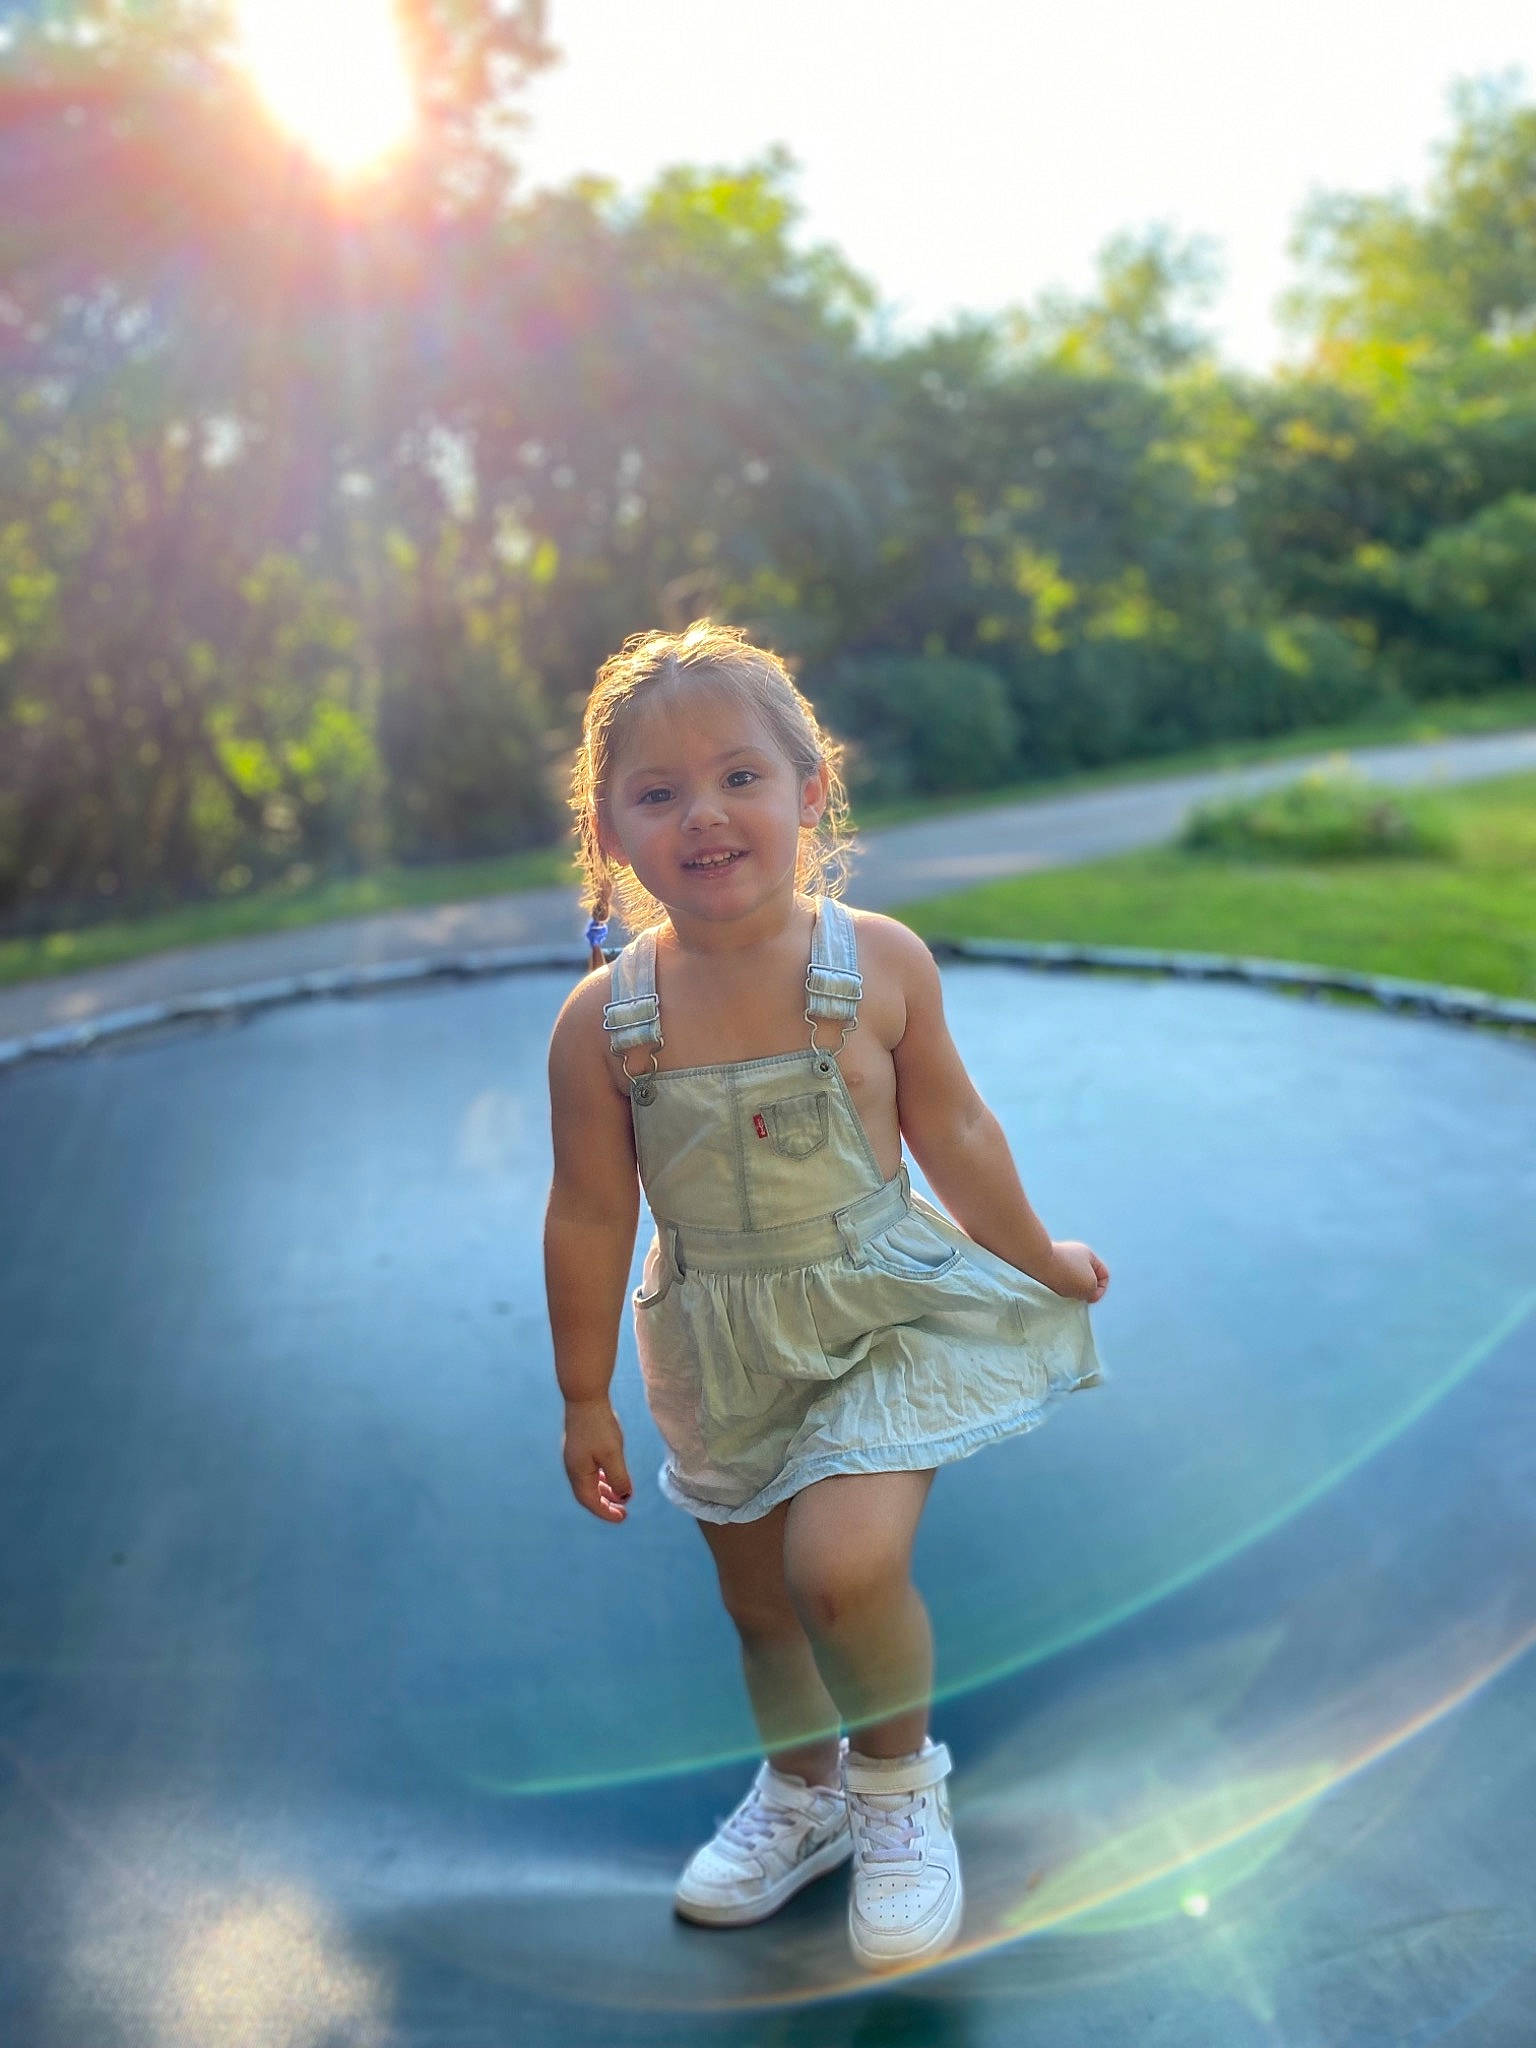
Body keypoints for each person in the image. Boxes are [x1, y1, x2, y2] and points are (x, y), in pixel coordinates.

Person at [544, 620, 1108, 1974]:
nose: (706, 814)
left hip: (878, 1307)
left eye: (741, 775)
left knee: (840, 1568)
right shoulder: (603, 1021)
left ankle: (899, 1793)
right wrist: (581, 1397)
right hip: (715, 1336)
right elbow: (588, 1212)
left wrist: (1035, 1254)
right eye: (659, 791)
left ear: (811, 791)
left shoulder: (876, 962)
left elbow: (956, 1133)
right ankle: (806, 1798)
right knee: (761, 1606)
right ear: (611, 830)